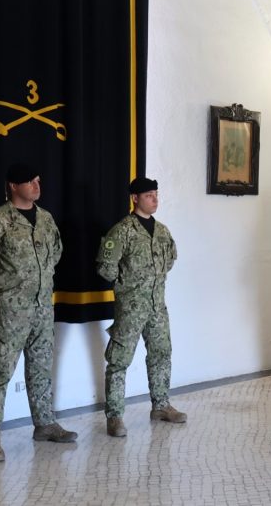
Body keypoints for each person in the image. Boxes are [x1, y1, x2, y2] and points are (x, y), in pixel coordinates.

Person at [0, 163, 76, 463]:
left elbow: (56, 253)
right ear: (14, 186)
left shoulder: (45, 218)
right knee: (0, 372)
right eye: (30, 181)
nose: (37, 185)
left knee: (41, 368)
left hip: (43, 309)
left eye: (38, 180)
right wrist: (7, 284)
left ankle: (45, 424)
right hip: (10, 313)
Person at [97, 177, 185, 437]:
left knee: (161, 355)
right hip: (131, 308)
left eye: (156, 194)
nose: (155, 199)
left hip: (157, 307)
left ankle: (161, 406)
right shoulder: (122, 231)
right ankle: (115, 416)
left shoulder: (162, 231)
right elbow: (105, 267)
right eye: (149, 195)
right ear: (135, 198)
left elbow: (171, 259)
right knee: (119, 360)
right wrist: (127, 285)